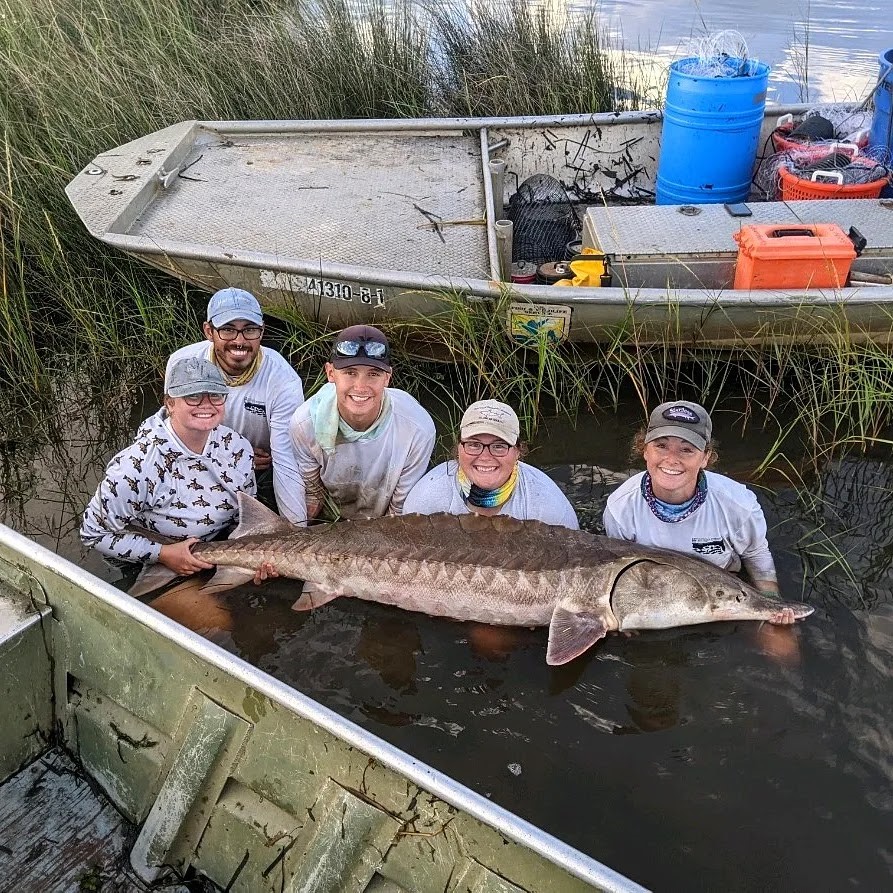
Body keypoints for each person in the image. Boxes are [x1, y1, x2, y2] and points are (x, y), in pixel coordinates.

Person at [81, 357, 255, 577]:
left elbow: (247, 515)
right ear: (170, 403)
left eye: (215, 395)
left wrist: (255, 556)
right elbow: (92, 533)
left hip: (215, 549)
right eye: (192, 396)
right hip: (148, 557)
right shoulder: (136, 468)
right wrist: (162, 554)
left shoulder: (238, 448)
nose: (206, 404)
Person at [603, 400, 781, 594]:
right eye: (661, 446)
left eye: (686, 449)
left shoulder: (739, 505)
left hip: (722, 589)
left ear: (705, 457)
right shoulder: (620, 509)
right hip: (654, 590)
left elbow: (755, 553)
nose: (671, 459)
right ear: (645, 450)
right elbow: (622, 571)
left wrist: (771, 600)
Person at [165, 287, 305, 523]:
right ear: (209, 331)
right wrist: (231, 454)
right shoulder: (182, 364)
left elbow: (286, 462)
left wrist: (296, 533)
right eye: (228, 330)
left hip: (261, 468)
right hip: (200, 456)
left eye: (249, 330)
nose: (239, 341)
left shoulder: (284, 381)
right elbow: (174, 434)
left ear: (262, 331)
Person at [288, 324, 435, 522]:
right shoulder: (304, 423)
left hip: (383, 521)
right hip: (330, 518)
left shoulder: (418, 429)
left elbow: (399, 511)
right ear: (331, 373)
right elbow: (313, 493)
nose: (360, 387)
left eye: (373, 374)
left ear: (387, 378)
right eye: (350, 372)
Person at [403, 399, 579, 528]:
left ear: (517, 451)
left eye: (499, 446)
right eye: (474, 444)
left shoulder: (550, 509)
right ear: (459, 449)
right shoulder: (426, 500)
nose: (485, 456)